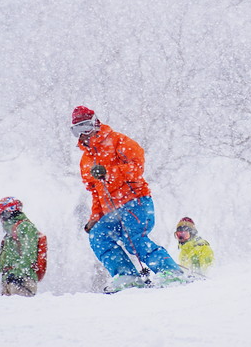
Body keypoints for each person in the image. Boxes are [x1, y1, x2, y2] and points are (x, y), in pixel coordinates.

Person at [71, 105, 184, 292]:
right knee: (98, 235)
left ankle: (169, 271)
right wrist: (95, 217)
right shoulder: (85, 161)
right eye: (77, 130)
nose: (83, 134)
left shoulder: (117, 141)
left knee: (133, 239)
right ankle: (126, 275)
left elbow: (137, 167)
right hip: (111, 211)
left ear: (95, 123)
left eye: (86, 127)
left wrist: (109, 172)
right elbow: (96, 192)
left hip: (135, 202)